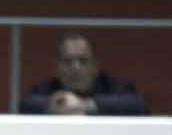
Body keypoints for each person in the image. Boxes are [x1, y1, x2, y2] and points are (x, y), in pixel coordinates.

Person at [19, 34, 149, 116]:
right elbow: (26, 103)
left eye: (83, 61)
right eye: (68, 62)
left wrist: (86, 105)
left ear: (96, 67)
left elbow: (138, 104)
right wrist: (56, 104)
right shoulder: (46, 89)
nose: (76, 68)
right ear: (57, 68)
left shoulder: (115, 87)